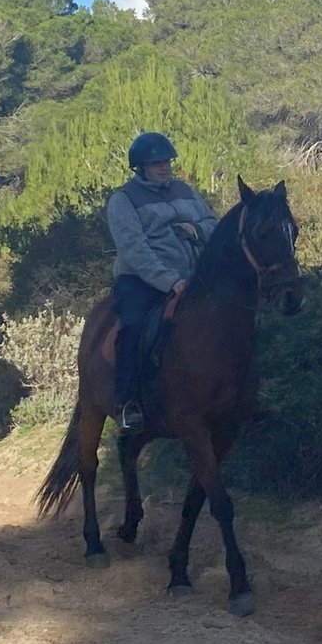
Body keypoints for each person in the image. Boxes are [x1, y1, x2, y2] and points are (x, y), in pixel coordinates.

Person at [105, 132, 218, 432]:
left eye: (166, 161)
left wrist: (195, 231)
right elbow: (134, 249)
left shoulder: (186, 191)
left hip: (194, 277)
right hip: (142, 282)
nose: (164, 167)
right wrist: (170, 281)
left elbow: (212, 224)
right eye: (156, 163)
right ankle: (127, 402)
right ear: (140, 168)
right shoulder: (123, 200)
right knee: (134, 326)